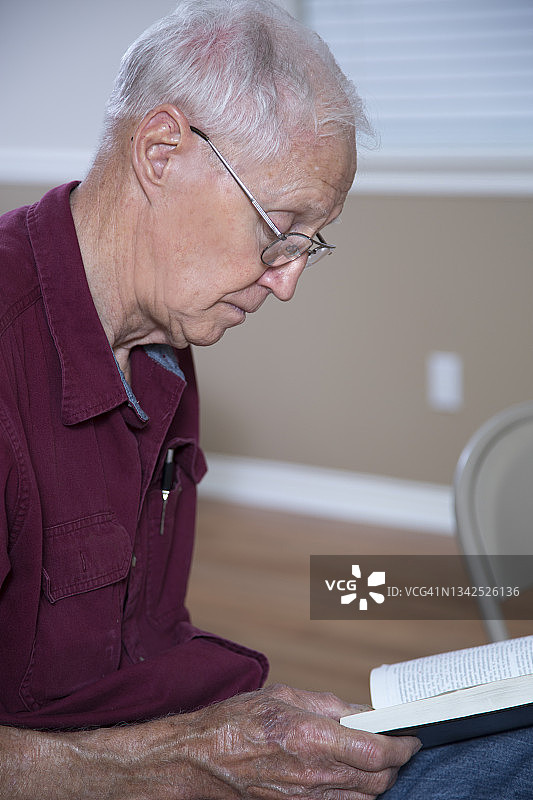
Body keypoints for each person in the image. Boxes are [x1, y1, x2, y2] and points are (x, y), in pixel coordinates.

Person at [0, 2, 530, 798]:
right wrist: (169, 765)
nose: (285, 283)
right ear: (162, 150)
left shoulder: (159, 342)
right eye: (279, 229)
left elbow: (131, 645)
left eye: (307, 246)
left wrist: (248, 731)